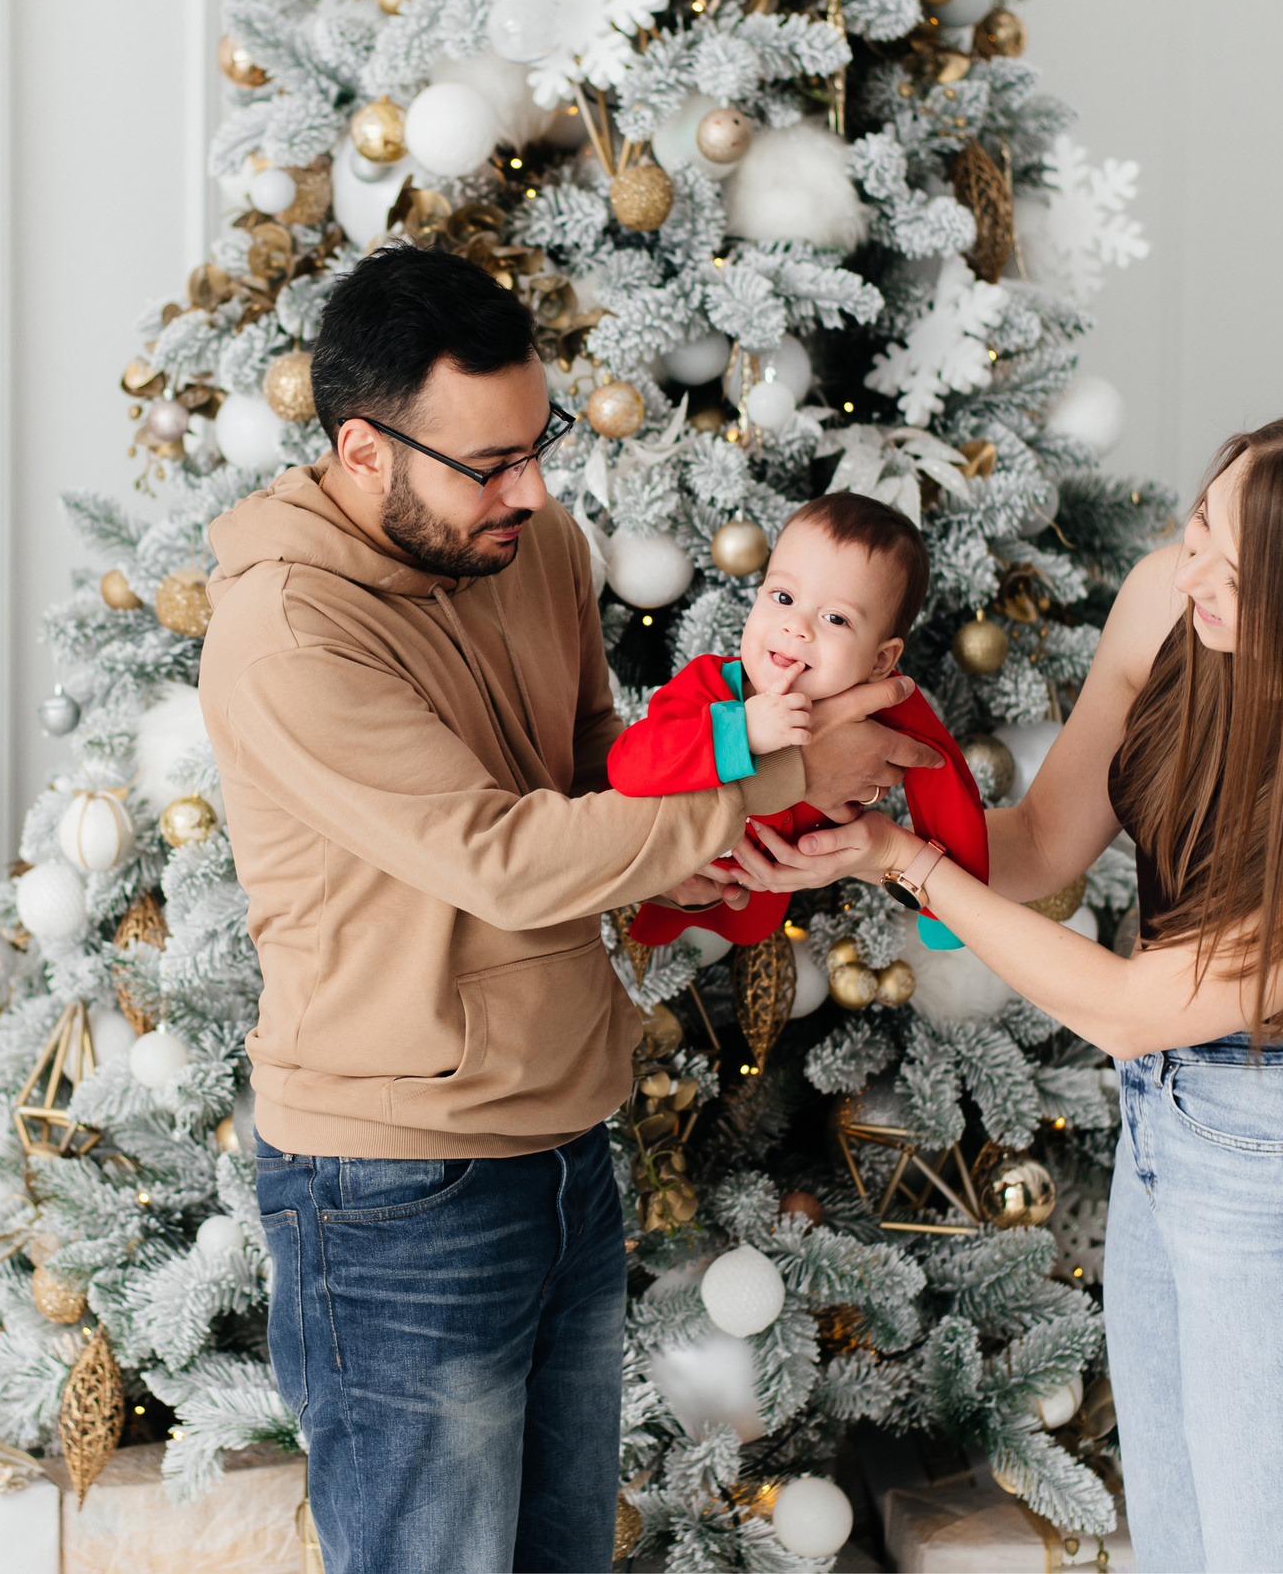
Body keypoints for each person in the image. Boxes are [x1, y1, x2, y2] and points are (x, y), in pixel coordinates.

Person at [195, 243, 937, 1574]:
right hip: (395, 1183)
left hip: (563, 1143)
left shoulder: (530, 545)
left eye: (537, 445)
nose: (533, 491)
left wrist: (709, 851)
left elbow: (596, 765)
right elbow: (504, 855)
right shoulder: (289, 632)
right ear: (363, 452)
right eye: (491, 464)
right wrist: (785, 768)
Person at [746, 407, 1283, 1572]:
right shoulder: (1167, 601)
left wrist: (908, 867)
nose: (1191, 572)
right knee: (1181, 1549)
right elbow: (1040, 840)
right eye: (1198, 525)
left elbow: (1136, 1004)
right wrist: (846, 817)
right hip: (1160, 1122)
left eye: (1233, 567)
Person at [606, 491, 991, 951]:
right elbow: (627, 766)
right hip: (664, 865)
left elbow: (945, 780)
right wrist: (742, 731)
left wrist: (945, 907)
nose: (797, 627)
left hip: (766, 895)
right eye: (783, 596)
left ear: (880, 660)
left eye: (835, 618)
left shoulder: (886, 702)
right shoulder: (710, 683)